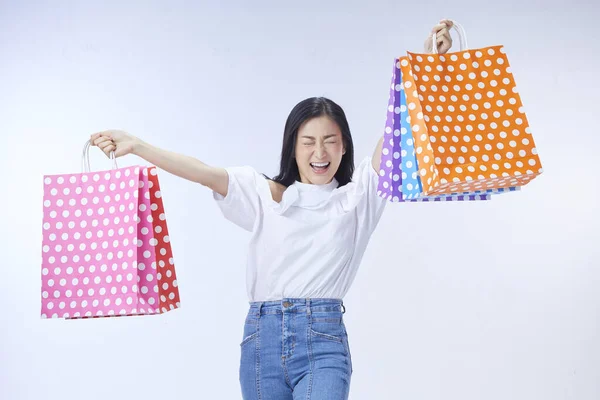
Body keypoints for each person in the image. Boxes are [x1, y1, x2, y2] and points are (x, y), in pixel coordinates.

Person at [90, 19, 454, 400]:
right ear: (292, 147)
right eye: (308, 142)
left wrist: (429, 68)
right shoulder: (262, 192)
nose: (319, 153)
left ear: (344, 146)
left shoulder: (359, 195)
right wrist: (139, 145)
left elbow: (395, 133)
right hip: (260, 342)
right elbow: (202, 172)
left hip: (323, 342)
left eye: (330, 141)